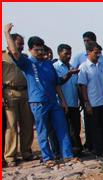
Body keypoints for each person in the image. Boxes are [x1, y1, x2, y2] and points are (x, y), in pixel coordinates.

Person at [4, 23, 75, 167]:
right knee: (42, 132)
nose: (40, 51)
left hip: (53, 102)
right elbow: (14, 52)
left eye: (42, 48)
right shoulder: (27, 63)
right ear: (31, 50)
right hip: (38, 102)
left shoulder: (48, 64)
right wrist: (6, 32)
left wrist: (63, 101)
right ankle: (47, 157)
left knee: (62, 128)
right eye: (37, 49)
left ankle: (68, 155)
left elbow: (56, 83)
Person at [2, 31, 35, 166]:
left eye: (22, 44)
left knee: (27, 124)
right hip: (9, 93)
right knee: (12, 126)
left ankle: (26, 152)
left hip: (25, 93)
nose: (21, 47)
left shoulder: (24, 58)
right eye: (18, 44)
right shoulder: (2, 57)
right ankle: (10, 156)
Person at [78, 41, 103, 158]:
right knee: (95, 128)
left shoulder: (99, 67)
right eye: (96, 53)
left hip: (102, 100)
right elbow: (83, 86)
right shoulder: (84, 67)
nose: (98, 55)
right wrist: (86, 103)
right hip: (92, 102)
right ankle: (98, 151)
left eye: (99, 53)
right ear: (89, 52)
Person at [53, 44, 82, 156]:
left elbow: (76, 85)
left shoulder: (71, 67)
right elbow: (58, 83)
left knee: (75, 128)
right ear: (59, 53)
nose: (69, 56)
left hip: (74, 103)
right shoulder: (55, 67)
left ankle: (76, 149)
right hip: (62, 103)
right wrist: (69, 74)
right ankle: (64, 151)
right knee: (64, 128)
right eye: (66, 54)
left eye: (70, 53)